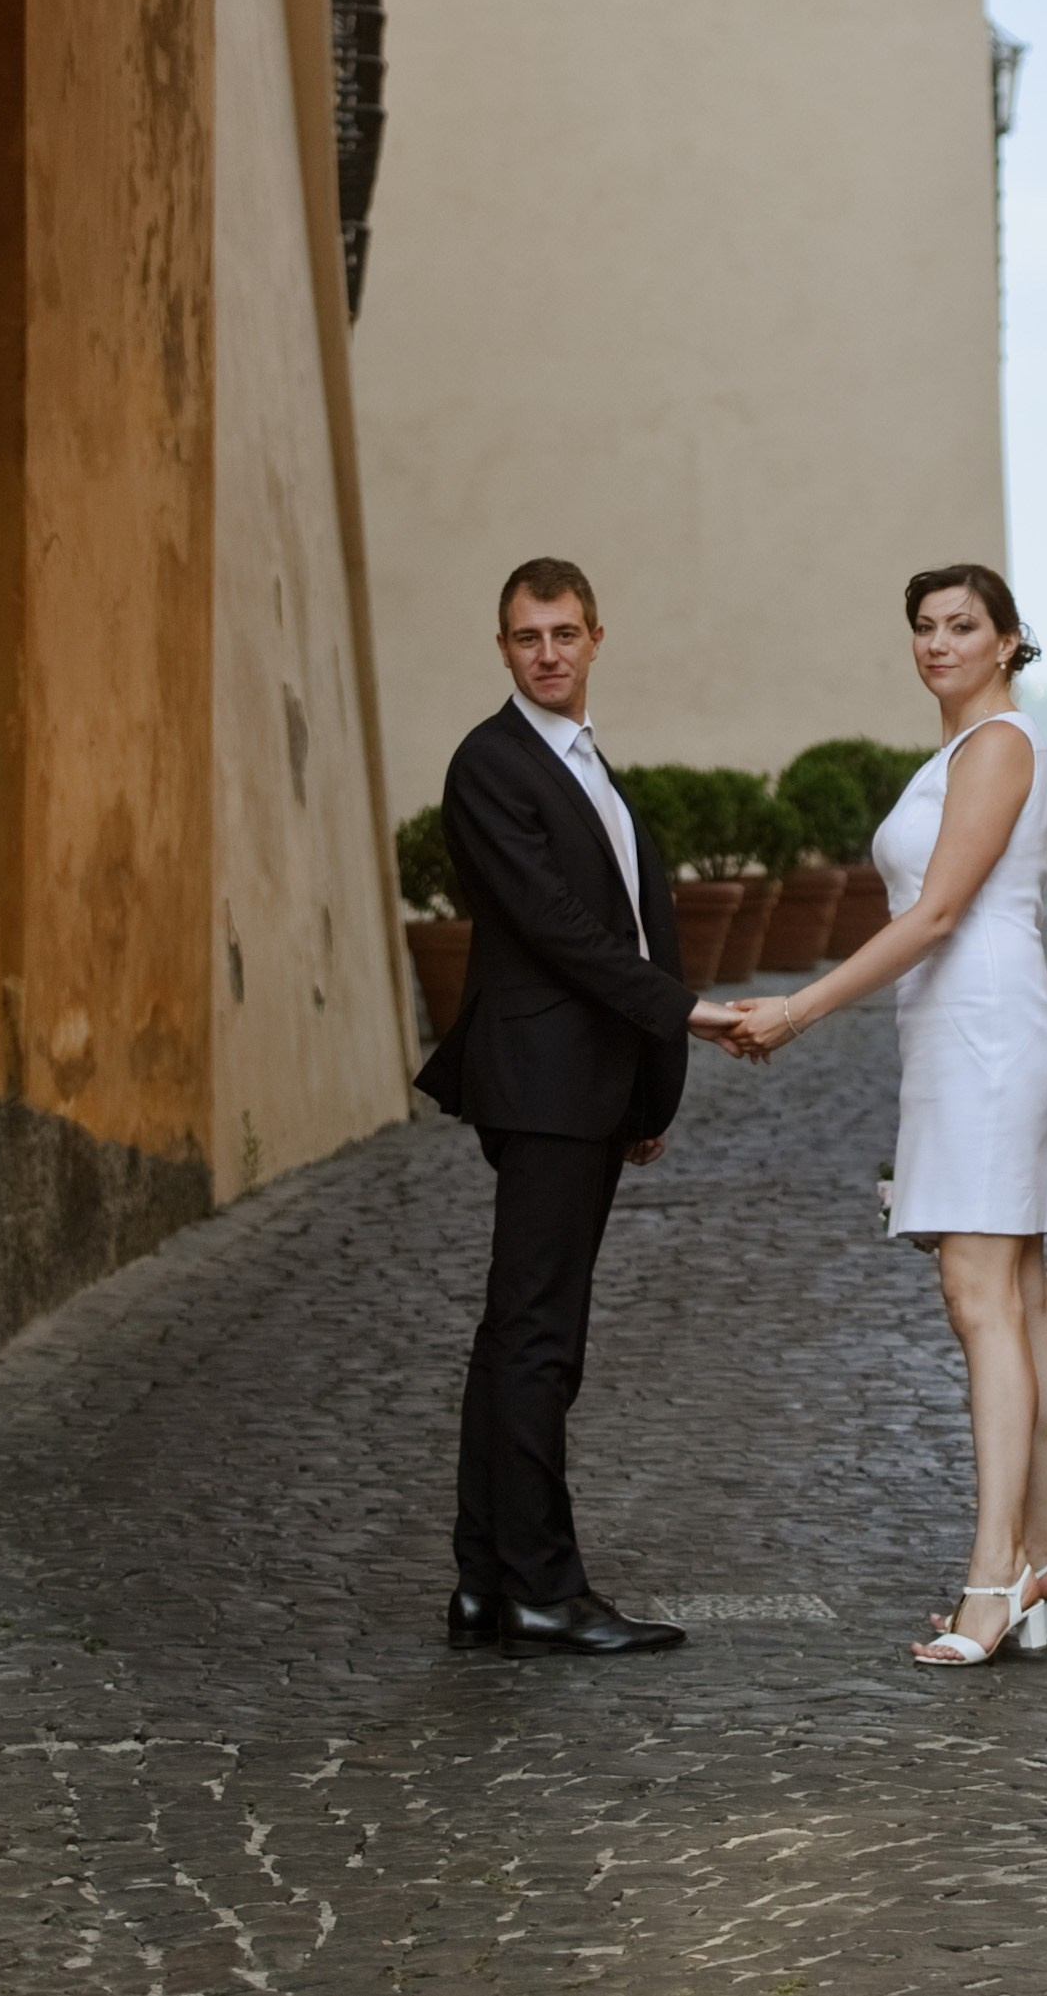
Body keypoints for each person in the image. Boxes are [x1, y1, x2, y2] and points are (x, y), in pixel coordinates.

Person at [732, 562, 1047, 1665]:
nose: (937, 642)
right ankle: (1044, 1556)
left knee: (981, 1296)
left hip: (984, 1036)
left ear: (1007, 639)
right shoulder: (966, 751)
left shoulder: (1001, 746)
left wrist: (796, 1008)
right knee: (1015, 1295)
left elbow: (934, 915)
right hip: (968, 1037)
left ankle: (995, 1577)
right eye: (923, 626)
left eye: (962, 625)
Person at [418, 558, 746, 1655]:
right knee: (535, 1338)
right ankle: (543, 1589)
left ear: (597, 637)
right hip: (543, 1083)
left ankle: (486, 1584)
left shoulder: (587, 764)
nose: (547, 652)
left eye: (563, 633)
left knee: (522, 1333)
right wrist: (688, 1017)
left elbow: (635, 919)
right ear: (502, 647)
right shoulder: (490, 763)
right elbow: (559, 928)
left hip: (587, 1086)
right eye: (525, 637)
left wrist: (644, 1086)